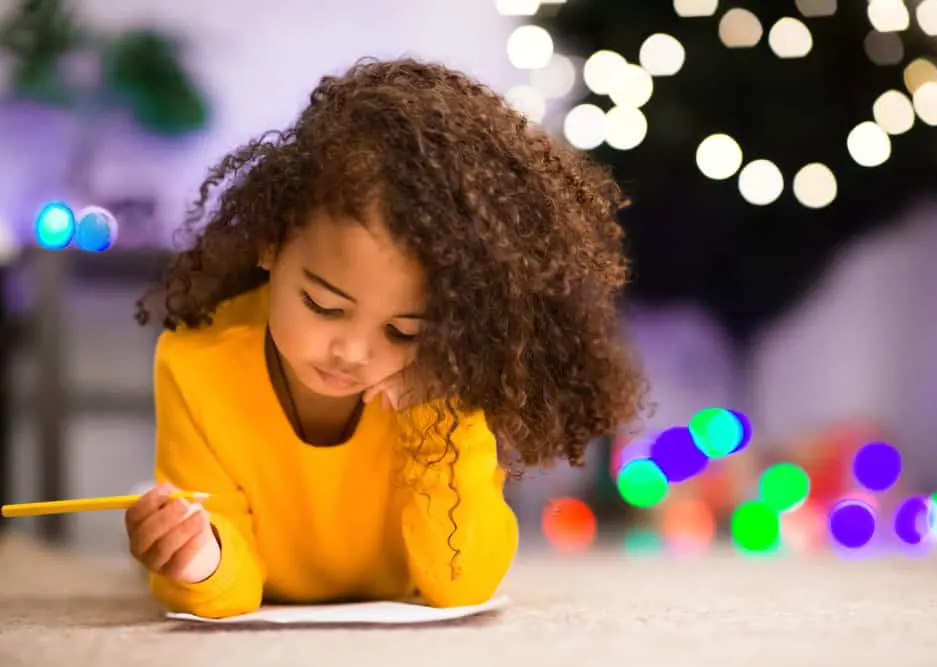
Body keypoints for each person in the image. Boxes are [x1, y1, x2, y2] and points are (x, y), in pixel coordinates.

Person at [124, 57, 644, 619]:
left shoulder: (445, 374)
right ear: (270, 244)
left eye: (403, 330)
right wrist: (198, 554)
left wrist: (432, 415)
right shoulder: (195, 363)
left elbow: (461, 583)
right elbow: (229, 579)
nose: (352, 352)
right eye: (323, 306)